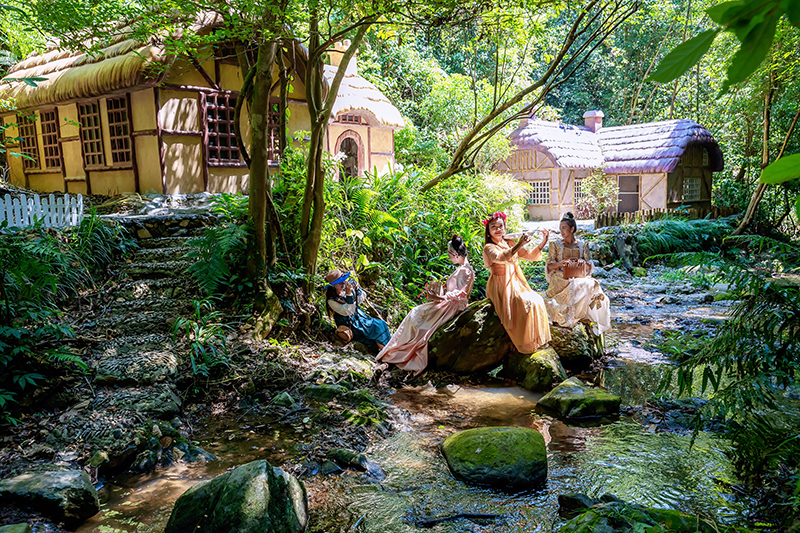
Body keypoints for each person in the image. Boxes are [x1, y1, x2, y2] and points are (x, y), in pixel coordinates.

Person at [376, 235, 475, 375]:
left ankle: (398, 352)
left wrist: (440, 297)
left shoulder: (465, 270)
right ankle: (397, 350)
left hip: (451, 307)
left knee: (416, 314)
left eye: (449, 254)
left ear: (456, 254)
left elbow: (462, 293)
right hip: (449, 304)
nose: (448, 256)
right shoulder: (464, 268)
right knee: (416, 313)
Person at [483, 211, 551, 354]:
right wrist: (520, 243)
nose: (498, 230)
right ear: (488, 231)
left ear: (504, 227)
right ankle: (523, 343)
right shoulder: (489, 247)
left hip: (515, 281)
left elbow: (529, 255)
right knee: (525, 303)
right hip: (500, 284)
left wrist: (544, 241)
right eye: (493, 227)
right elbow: (501, 257)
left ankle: (535, 340)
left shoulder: (508, 242)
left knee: (537, 300)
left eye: (500, 226)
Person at [544, 212, 611, 335]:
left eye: (564, 228)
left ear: (572, 229)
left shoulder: (582, 244)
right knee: (572, 285)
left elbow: (589, 266)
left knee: (591, 284)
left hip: (578, 275)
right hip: (560, 277)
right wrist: (561, 263)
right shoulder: (555, 244)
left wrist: (580, 263)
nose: (561, 231)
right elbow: (549, 266)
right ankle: (566, 318)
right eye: (560, 228)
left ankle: (587, 317)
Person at [325, 269, 391, 353]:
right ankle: (387, 354)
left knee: (381, 324)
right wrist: (349, 294)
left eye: (343, 281)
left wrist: (357, 289)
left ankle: (388, 351)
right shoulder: (331, 301)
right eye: (339, 282)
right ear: (333, 285)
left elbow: (361, 299)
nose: (342, 283)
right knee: (376, 327)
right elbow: (349, 311)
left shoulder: (346, 289)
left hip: (360, 319)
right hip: (351, 325)